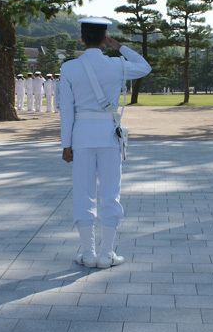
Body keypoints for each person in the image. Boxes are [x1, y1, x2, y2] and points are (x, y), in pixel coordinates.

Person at [58, 17, 151, 268]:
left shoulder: (69, 68)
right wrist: (119, 46)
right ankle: (107, 253)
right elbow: (144, 67)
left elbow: (65, 110)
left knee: (83, 193)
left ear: (82, 38)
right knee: (111, 192)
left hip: (81, 135)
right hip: (109, 134)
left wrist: (66, 144)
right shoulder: (117, 65)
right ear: (104, 39)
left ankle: (88, 254)